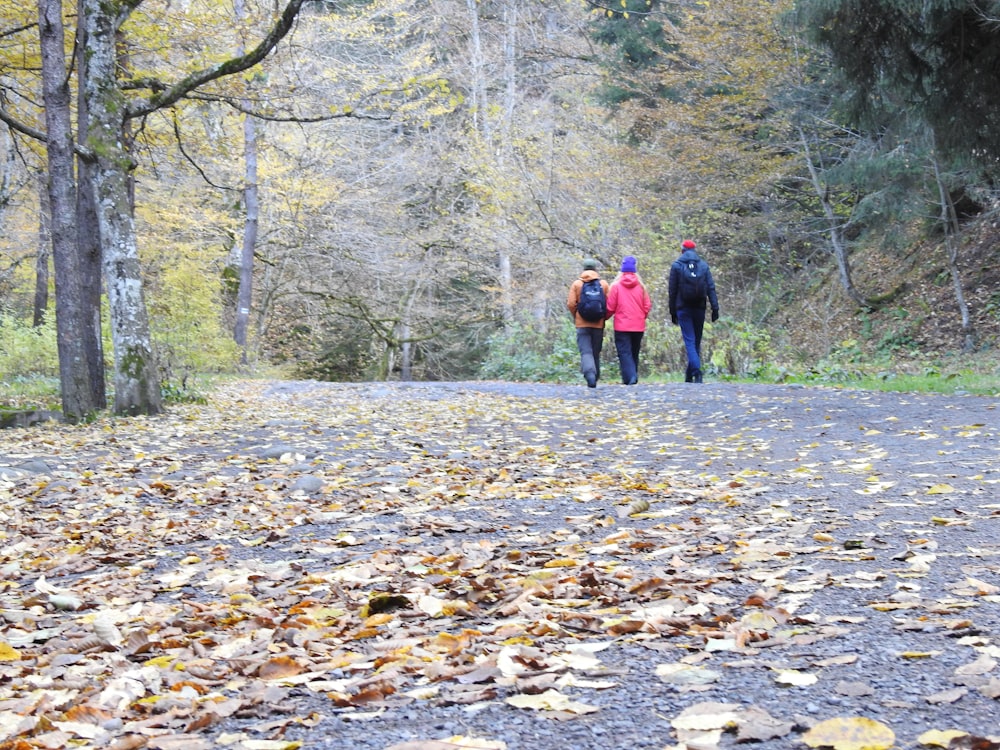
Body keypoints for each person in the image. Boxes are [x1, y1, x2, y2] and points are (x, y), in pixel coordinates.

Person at [668, 239, 719, 383]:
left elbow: (672, 291)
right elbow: (711, 288)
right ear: (695, 250)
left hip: (683, 308)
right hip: (699, 308)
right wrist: (715, 308)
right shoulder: (703, 265)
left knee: (690, 341)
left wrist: (673, 312)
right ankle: (690, 375)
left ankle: (696, 371)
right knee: (696, 341)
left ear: (682, 250)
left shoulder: (677, 266)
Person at [605, 255, 652, 385]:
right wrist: (642, 317)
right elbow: (647, 305)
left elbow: (610, 307)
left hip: (622, 326)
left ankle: (631, 377)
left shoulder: (615, 286)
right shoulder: (641, 287)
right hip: (638, 326)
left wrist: (604, 318)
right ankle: (631, 377)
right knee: (634, 352)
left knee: (625, 353)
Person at [566, 258, 610, 388]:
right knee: (595, 352)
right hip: (598, 324)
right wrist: (603, 317)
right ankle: (595, 378)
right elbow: (609, 304)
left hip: (582, 324)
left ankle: (590, 376)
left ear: (583, 269)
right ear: (596, 269)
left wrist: (577, 315)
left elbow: (570, 304)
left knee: (586, 352)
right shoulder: (604, 284)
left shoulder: (577, 284)